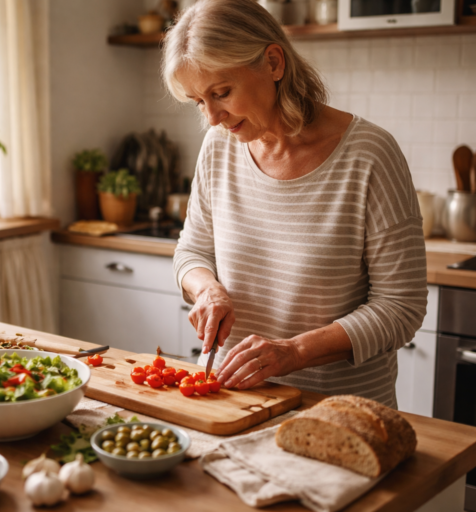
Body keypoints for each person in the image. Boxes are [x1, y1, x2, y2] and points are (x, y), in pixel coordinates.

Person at [164, 0, 427, 407]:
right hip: (235, 402)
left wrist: (294, 352)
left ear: (273, 63)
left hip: (339, 414)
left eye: (221, 93)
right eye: (200, 101)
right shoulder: (219, 146)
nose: (213, 117)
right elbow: (193, 250)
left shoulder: (370, 154)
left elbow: (401, 308)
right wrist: (207, 290)